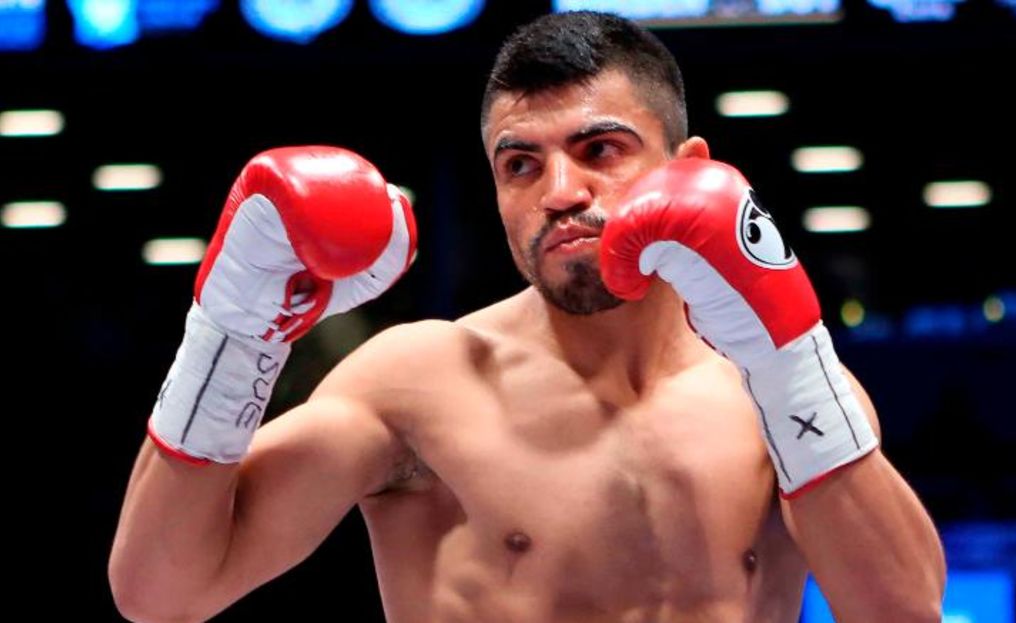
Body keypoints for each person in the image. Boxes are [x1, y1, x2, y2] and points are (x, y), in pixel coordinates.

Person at [109, 11, 945, 623]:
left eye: (600, 149)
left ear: (691, 170)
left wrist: (787, 362)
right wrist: (229, 336)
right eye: (520, 164)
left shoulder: (786, 393)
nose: (560, 193)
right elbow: (161, 590)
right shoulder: (422, 380)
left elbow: (904, 608)